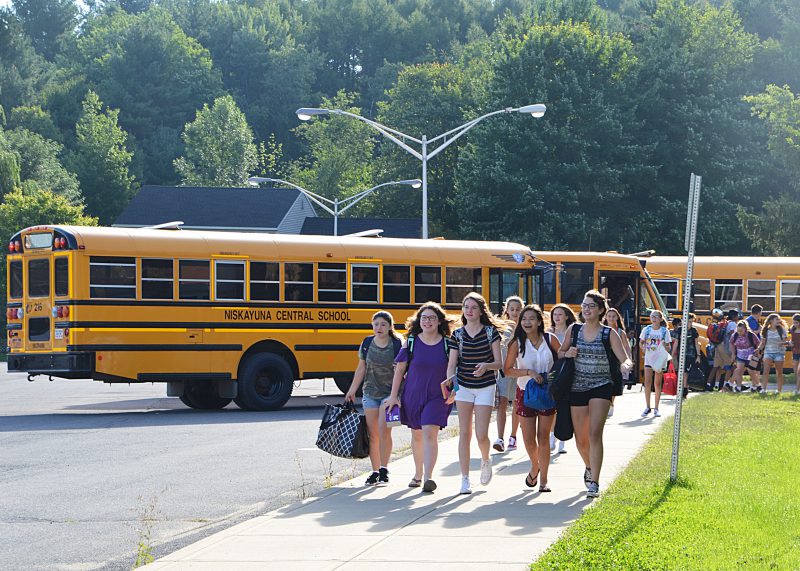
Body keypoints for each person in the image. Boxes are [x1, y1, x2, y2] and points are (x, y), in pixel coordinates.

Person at [559, 290, 633, 498]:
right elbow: (560, 352)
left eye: (591, 305)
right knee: (581, 439)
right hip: (577, 386)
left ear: (601, 310)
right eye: (584, 305)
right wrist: (568, 353)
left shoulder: (609, 333)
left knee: (594, 434)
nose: (586, 309)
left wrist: (626, 366)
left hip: (601, 386)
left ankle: (595, 482)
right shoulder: (574, 330)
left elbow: (624, 358)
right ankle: (589, 466)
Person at [386, 303, 458, 493]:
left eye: (432, 318)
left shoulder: (448, 344)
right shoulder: (410, 341)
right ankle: (418, 474)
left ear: (439, 321)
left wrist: (454, 390)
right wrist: (394, 397)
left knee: (429, 432)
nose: (427, 321)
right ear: (419, 321)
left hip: (437, 396)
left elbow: (453, 370)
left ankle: (429, 477)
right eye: (424, 318)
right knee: (417, 435)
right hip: (413, 394)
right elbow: (400, 370)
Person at [444, 292, 504, 495]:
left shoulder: (490, 333)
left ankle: (486, 460)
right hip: (464, 387)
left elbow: (499, 363)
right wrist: (452, 385)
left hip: (486, 386)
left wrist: (486, 366)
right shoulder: (457, 335)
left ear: (480, 311)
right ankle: (465, 479)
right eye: (466, 307)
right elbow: (451, 365)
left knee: (481, 434)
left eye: (473, 308)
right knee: (464, 433)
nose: (469, 311)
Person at [504, 305, 560, 492]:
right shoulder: (517, 343)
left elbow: (562, 359)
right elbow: (507, 370)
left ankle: (543, 479)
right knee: (528, 440)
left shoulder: (549, 339)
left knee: (543, 437)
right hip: (524, 392)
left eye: (531, 319)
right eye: (524, 319)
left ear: (538, 321)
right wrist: (529, 371)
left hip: (547, 392)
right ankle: (535, 466)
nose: (527, 322)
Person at [346, 311, 403, 485]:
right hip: (370, 392)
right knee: (373, 434)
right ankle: (375, 470)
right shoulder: (367, 343)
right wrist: (352, 389)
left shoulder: (397, 344)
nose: (379, 327)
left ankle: (385, 468)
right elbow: (361, 368)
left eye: (383, 324)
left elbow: (403, 370)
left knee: (384, 429)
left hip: (390, 393)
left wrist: (398, 395)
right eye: (376, 324)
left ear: (390, 327)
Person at [494, 296, 524, 453]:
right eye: (512, 309)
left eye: (518, 309)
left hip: (520, 369)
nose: (515, 312)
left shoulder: (525, 326)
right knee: (502, 403)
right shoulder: (502, 327)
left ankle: (513, 436)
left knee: (518, 404)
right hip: (505, 369)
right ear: (506, 310)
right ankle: (500, 437)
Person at [547, 304, 577, 454]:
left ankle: (562, 440)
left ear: (566, 316)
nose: (556, 317)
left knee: (564, 405)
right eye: (554, 315)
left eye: (559, 314)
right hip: (554, 370)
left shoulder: (572, 332)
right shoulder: (548, 333)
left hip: (569, 371)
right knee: (553, 405)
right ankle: (552, 435)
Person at [639, 310, 672, 417]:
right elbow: (641, 342)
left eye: (656, 316)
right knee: (647, 382)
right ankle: (647, 406)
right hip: (649, 358)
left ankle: (656, 408)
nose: (654, 318)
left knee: (657, 383)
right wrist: (643, 347)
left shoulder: (664, 331)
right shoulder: (646, 329)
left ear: (660, 319)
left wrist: (664, 347)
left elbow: (668, 346)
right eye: (652, 316)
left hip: (659, 359)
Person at [603, 308, 631, 418]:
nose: (611, 318)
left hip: (616, 360)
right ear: (605, 317)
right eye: (609, 316)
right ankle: (606, 403)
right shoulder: (602, 329)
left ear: (617, 318)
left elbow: (626, 347)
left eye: (613, 316)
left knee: (614, 382)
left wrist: (627, 360)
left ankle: (611, 403)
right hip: (604, 360)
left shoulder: (620, 332)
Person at [757, 313, 790, 393]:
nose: (779, 321)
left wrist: (781, 343)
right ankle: (764, 389)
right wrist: (758, 350)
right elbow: (763, 343)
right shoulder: (765, 331)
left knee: (779, 372)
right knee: (765, 372)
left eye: (779, 319)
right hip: (768, 353)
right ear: (771, 321)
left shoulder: (781, 330)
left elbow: (785, 342)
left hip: (779, 353)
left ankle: (779, 390)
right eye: (777, 319)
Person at [729, 320, 760, 392]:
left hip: (751, 354)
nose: (739, 333)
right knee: (739, 370)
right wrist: (733, 353)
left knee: (751, 371)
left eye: (741, 331)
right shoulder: (735, 335)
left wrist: (758, 352)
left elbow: (758, 343)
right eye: (738, 330)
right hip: (740, 354)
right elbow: (731, 343)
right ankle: (738, 387)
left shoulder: (751, 335)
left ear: (745, 329)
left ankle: (756, 386)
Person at [745, 305, 763, 391]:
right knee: (755, 367)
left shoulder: (749, 320)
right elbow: (751, 333)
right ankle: (755, 386)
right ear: (759, 312)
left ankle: (755, 385)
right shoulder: (751, 321)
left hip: (753, 347)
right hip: (754, 347)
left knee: (755, 366)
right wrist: (760, 330)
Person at [790, 314, 800, 395]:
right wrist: (790, 343)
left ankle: (797, 390)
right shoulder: (792, 330)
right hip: (795, 351)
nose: (795, 324)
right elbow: (792, 340)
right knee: (795, 370)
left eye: (796, 323)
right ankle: (797, 387)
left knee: (799, 371)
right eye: (794, 323)